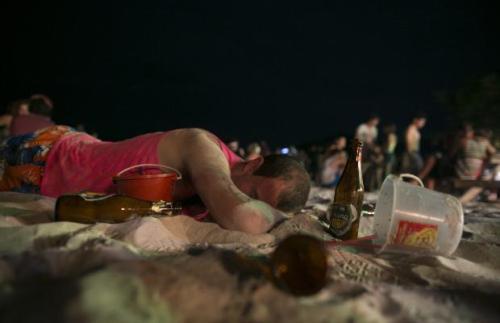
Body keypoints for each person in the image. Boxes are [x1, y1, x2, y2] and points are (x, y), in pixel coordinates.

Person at [0, 126, 311, 234]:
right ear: (252, 163)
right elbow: (242, 217)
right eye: (254, 193)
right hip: (47, 156)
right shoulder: (202, 146)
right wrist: (279, 217)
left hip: (57, 184)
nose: (250, 202)